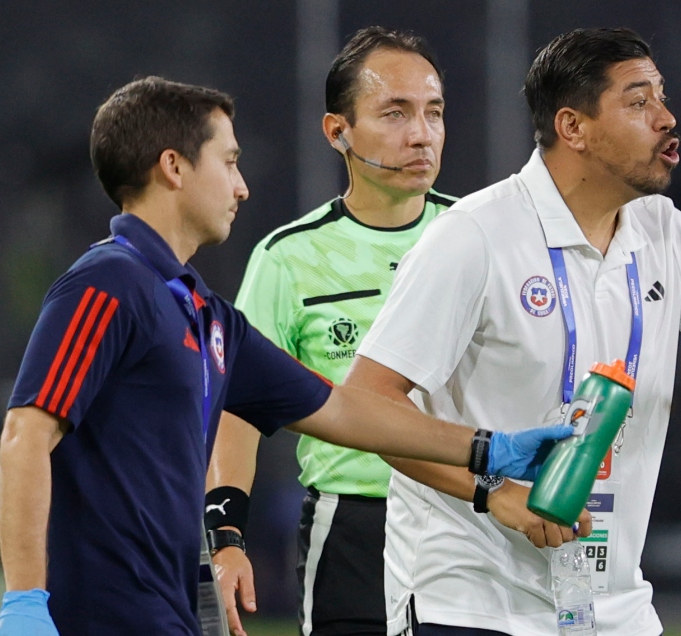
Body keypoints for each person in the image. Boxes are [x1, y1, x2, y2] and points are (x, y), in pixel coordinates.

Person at [345, 28, 681, 636]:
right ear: (573, 127)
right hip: (474, 606)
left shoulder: (668, 234)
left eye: (661, 97)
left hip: (611, 610)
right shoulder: (475, 236)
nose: (666, 118)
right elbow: (367, 405)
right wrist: (492, 491)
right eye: (638, 102)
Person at [0, 76, 570, 636]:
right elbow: (26, 435)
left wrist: (488, 448)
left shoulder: (204, 313)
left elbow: (344, 410)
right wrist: (23, 600)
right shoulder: (105, 284)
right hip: (95, 614)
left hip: (166, 610)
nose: (242, 186)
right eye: (228, 162)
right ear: (173, 167)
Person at [205, 27, 455, 636]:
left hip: (470, 517)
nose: (420, 133)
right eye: (395, 113)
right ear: (337, 131)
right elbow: (239, 409)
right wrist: (226, 535)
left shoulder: (479, 237)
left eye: (433, 113)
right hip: (352, 531)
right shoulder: (289, 258)